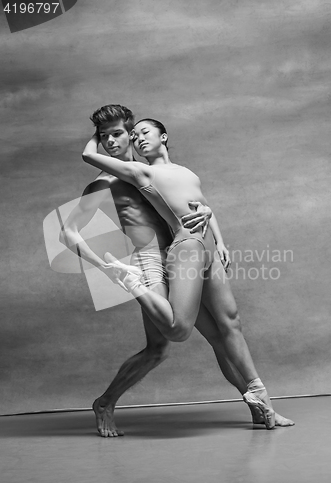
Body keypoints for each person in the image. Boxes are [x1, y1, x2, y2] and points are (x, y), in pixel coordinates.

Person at [81, 112, 294, 432]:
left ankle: (262, 407)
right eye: (133, 135)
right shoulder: (140, 172)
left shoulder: (185, 172)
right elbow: (93, 159)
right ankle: (107, 399)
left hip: (207, 250)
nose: (137, 139)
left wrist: (220, 241)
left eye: (144, 133)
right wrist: (105, 135)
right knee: (178, 337)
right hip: (182, 251)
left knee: (230, 328)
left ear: (163, 136)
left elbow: (201, 205)